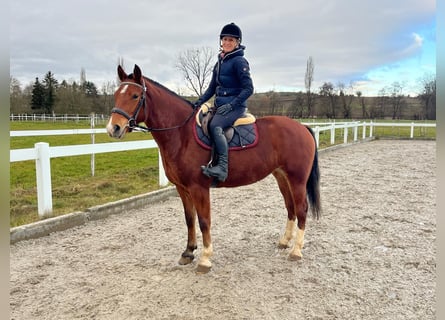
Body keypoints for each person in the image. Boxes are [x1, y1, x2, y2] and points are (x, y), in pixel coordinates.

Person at [193, 22, 254, 182]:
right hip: (220, 105)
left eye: (231, 40)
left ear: (237, 43)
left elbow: (249, 89)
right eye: (225, 39)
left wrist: (232, 105)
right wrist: (198, 102)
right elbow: (212, 87)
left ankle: (222, 168)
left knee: (215, 125)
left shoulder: (240, 62)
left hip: (236, 107)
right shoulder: (219, 62)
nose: (227, 43)